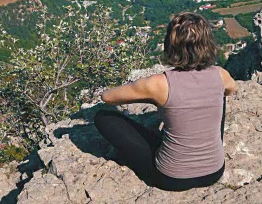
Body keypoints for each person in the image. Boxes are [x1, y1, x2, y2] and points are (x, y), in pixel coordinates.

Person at [94, 12, 238, 192]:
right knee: (220, 96)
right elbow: (232, 89)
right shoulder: (220, 74)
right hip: (215, 172)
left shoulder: (158, 84)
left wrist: (151, 96)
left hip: (171, 179)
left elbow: (107, 97)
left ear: (170, 45)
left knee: (103, 117)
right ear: (207, 43)